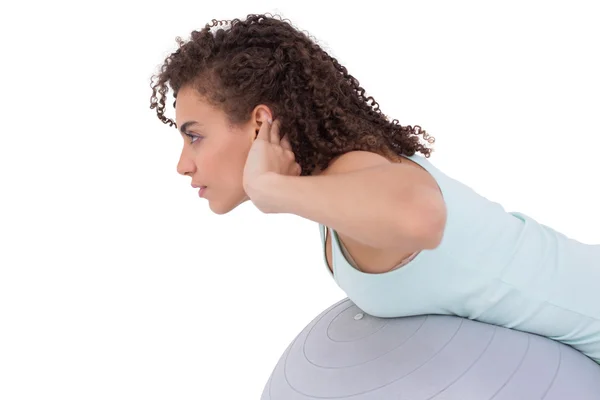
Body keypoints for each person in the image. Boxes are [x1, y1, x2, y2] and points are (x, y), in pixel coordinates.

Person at [149, 14, 600, 364]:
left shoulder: (356, 168)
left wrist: (269, 188)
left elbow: (422, 218)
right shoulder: (336, 189)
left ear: (260, 122)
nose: (183, 164)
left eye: (195, 135)